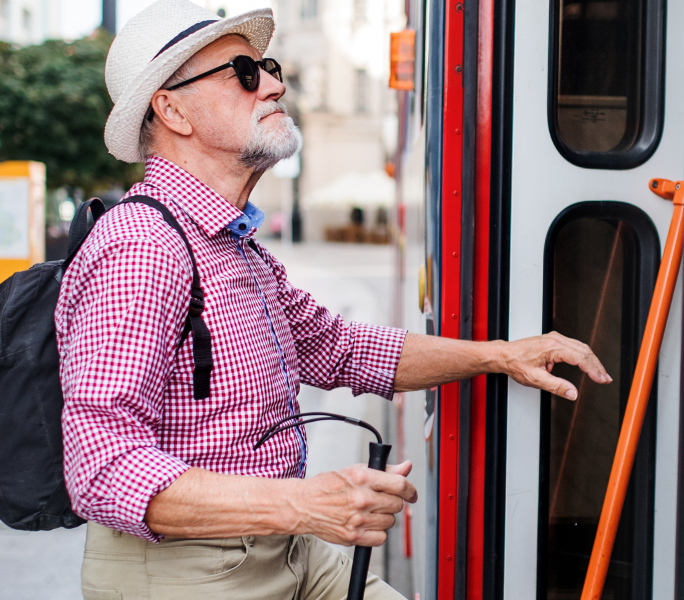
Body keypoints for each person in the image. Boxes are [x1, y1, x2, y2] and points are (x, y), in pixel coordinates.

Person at [61, 3, 611, 598]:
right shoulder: (141, 246)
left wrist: (499, 355)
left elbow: (342, 348)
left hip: (284, 544)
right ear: (172, 110)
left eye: (267, 67)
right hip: (188, 569)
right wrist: (306, 504)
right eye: (243, 73)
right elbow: (102, 468)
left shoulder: (229, 242)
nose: (273, 84)